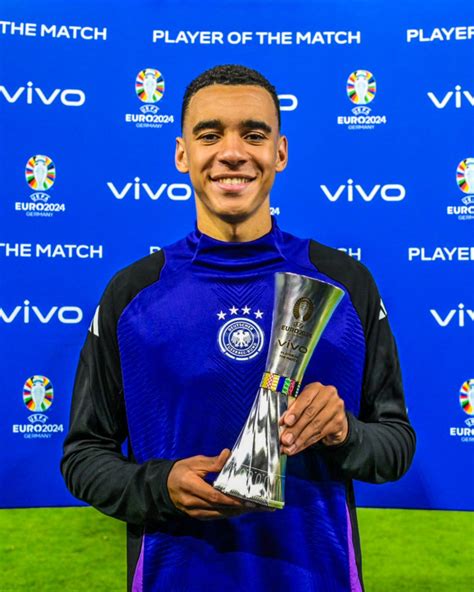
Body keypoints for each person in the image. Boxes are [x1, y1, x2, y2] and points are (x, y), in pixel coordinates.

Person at [61, 64, 416, 592]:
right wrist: (160, 486)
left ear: (280, 152)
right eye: (210, 135)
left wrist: (344, 431)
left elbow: (396, 444)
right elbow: (84, 454)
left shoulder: (345, 284)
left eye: (253, 134)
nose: (232, 152)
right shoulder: (131, 294)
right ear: (182, 153)